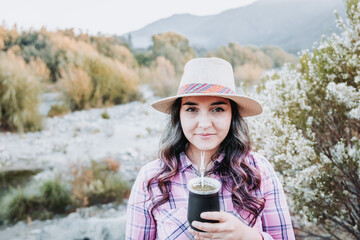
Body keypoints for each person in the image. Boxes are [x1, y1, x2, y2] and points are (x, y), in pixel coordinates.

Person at [126, 57, 295, 240]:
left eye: (218, 109)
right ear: (178, 116)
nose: (205, 124)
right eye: (192, 109)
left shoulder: (259, 171)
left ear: (233, 115)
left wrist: (246, 236)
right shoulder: (151, 179)